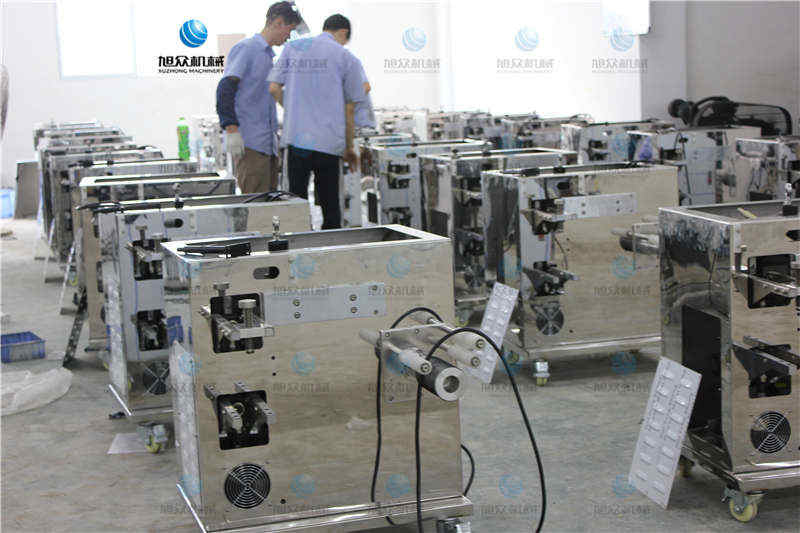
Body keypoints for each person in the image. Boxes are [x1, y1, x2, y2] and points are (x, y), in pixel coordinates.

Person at [268, 14, 367, 229]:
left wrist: (293, 110)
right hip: (329, 143)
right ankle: (330, 246)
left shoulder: (292, 48)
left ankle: (299, 244)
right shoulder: (345, 57)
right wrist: (349, 147)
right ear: (343, 32)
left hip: (297, 141)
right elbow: (350, 108)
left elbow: (274, 88)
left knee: (295, 204)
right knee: (331, 206)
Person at [215, 1, 304, 193]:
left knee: (268, 204)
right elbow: (225, 88)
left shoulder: (268, 56)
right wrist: (231, 129)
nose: (289, 37)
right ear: (278, 23)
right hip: (251, 144)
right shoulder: (247, 49)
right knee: (255, 204)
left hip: (267, 144)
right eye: (289, 30)